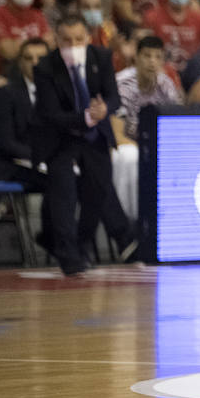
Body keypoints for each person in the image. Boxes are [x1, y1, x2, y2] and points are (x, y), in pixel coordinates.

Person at [34, 14, 139, 276]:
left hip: (95, 136)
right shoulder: (46, 67)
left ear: (88, 38)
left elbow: (114, 96)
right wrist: (85, 117)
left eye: (78, 39)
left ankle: (82, 243)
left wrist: (105, 109)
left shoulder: (100, 58)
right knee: (64, 195)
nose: (73, 45)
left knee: (98, 192)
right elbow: (49, 113)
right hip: (61, 138)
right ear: (56, 40)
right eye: (66, 40)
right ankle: (68, 257)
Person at [111, 35, 183, 216]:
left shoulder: (165, 84)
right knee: (130, 156)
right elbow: (117, 134)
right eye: (147, 56)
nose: (152, 62)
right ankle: (129, 219)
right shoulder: (122, 84)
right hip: (126, 143)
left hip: (155, 144)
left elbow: (178, 126)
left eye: (158, 57)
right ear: (136, 57)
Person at [0, 38, 50, 190]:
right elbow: (6, 143)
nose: (35, 63)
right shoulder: (5, 94)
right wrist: (41, 157)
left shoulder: (57, 92)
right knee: (60, 178)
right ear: (20, 63)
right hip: (15, 164)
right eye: (28, 58)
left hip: (49, 162)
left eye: (41, 58)